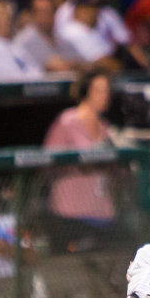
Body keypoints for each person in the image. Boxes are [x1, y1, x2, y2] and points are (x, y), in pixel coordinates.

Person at [43, 71, 116, 234]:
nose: (105, 95)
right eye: (99, 90)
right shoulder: (67, 121)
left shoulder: (106, 128)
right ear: (86, 92)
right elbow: (46, 164)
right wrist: (81, 164)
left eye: (107, 90)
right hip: (71, 214)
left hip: (102, 213)